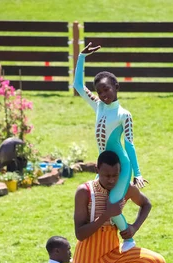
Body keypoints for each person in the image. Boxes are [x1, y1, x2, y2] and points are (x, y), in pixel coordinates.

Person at [68, 150, 166, 263]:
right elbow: (80, 234)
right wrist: (106, 215)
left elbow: (146, 204)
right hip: (88, 256)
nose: (112, 180)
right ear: (97, 169)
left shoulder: (124, 188)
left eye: (115, 175)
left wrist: (134, 227)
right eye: (106, 175)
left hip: (114, 250)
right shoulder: (84, 191)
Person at [73, 43, 145, 252]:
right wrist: (81, 57)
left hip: (121, 166)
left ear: (116, 87)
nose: (104, 94)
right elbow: (78, 86)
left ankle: (129, 239)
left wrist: (137, 173)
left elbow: (129, 144)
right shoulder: (98, 106)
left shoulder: (124, 114)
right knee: (99, 201)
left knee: (113, 206)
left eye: (107, 89)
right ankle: (100, 239)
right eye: (100, 91)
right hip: (105, 166)